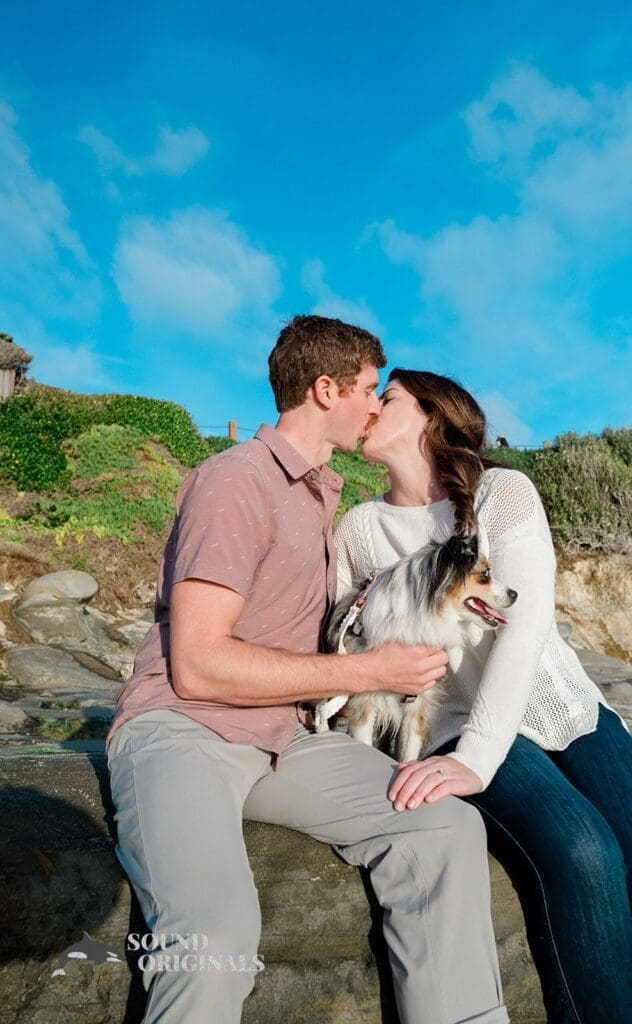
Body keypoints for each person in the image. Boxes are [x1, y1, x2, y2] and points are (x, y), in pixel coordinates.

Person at [105, 318, 510, 1024]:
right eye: (364, 389)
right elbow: (197, 665)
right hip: (184, 730)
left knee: (444, 830)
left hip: (284, 738)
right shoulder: (235, 482)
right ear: (324, 390)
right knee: (212, 940)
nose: (375, 405)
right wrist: (367, 670)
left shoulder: (319, 496)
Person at [334, 367, 632, 1024]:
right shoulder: (358, 529)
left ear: (431, 415)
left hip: (560, 708)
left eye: (387, 398)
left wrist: (482, 755)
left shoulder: (503, 491)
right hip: (447, 721)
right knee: (582, 850)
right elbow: (343, 638)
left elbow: (523, 625)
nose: (370, 408)